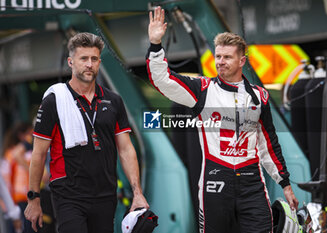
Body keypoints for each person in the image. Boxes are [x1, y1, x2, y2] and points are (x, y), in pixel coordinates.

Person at [147, 6, 298, 233]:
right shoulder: (203, 89)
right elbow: (162, 80)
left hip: (252, 182)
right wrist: (156, 45)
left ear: (242, 61)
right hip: (215, 181)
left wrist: (285, 184)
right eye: (218, 56)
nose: (221, 61)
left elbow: (269, 145)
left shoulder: (260, 96)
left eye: (227, 57)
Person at [24, 32, 149, 233]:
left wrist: (137, 192)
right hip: (68, 195)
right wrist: (34, 198)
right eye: (83, 59)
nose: (89, 64)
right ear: (71, 62)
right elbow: (38, 154)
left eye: (94, 59)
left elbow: (126, 149)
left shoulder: (113, 101)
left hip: (106, 195)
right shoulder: (54, 101)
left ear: (99, 61)